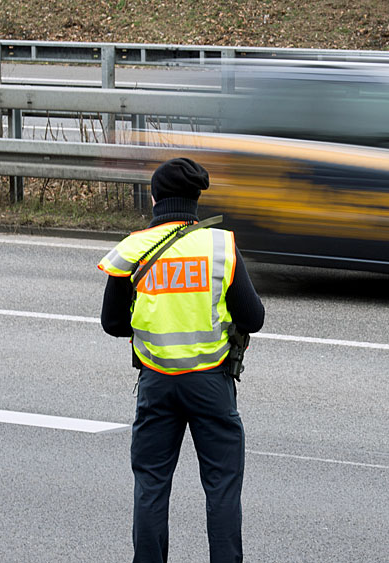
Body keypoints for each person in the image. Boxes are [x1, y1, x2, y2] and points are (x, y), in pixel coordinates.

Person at [98, 157, 264, 563]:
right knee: (222, 487)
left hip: (156, 383)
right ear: (195, 201)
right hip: (211, 384)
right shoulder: (219, 246)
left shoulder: (134, 248)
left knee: (151, 485)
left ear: (155, 199)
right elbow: (253, 318)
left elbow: (112, 323)